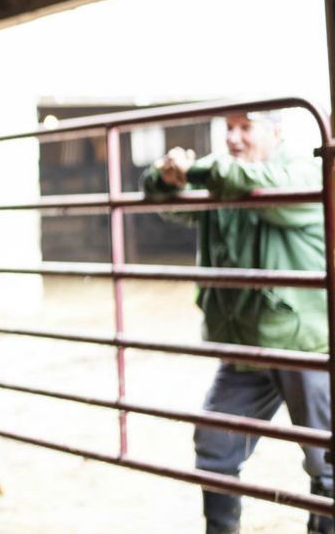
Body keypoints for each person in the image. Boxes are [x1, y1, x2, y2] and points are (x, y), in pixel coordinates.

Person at [144, 111, 331, 534]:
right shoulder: (222, 179)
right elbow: (162, 201)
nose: (233, 138)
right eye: (228, 128)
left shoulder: (302, 171)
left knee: (327, 459)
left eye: (246, 128)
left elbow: (251, 185)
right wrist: (166, 176)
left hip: (302, 345)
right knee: (214, 445)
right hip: (244, 346)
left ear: (276, 133)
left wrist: (196, 169)